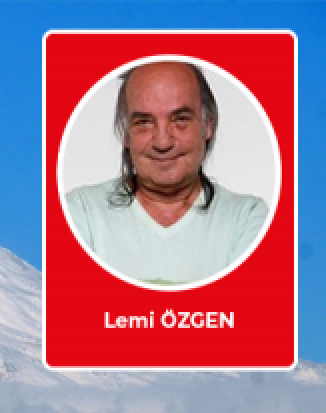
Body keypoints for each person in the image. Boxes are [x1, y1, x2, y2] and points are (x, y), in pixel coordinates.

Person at [65, 61, 268, 286]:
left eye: (180, 120)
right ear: (125, 134)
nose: (162, 142)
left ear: (207, 126)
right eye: (144, 122)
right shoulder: (80, 213)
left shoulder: (247, 219)